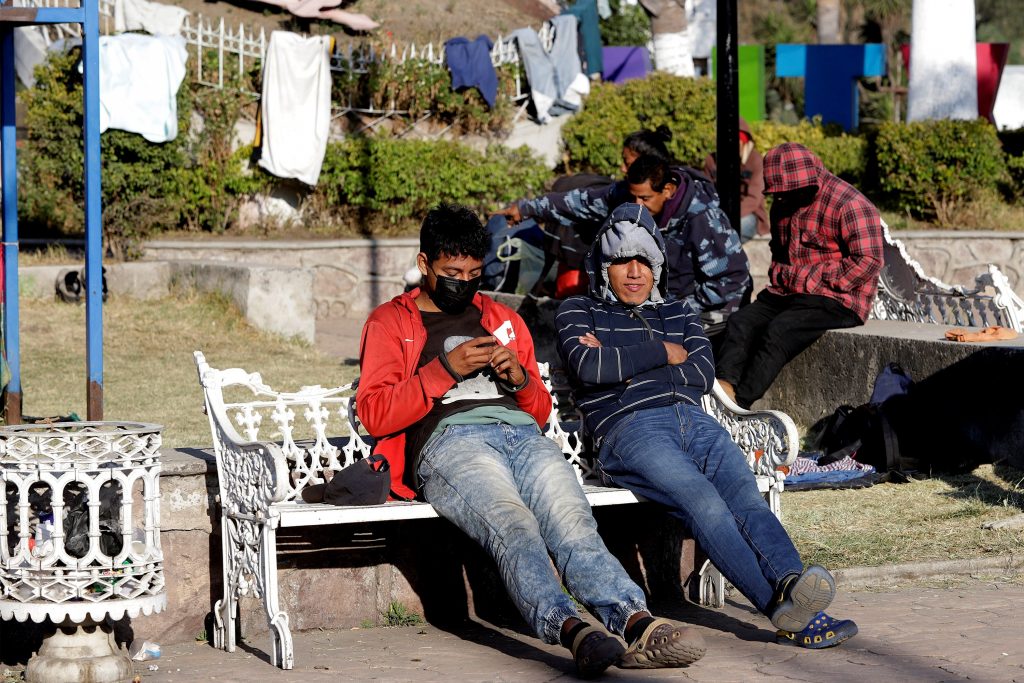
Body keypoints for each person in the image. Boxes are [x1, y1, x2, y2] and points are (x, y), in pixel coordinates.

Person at [357, 203, 706, 676]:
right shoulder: (389, 322)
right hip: (449, 443)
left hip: (521, 434)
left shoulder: (502, 318)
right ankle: (573, 633)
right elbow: (374, 414)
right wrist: (444, 371)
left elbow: (540, 411)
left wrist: (520, 377)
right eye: (451, 272)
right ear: (424, 266)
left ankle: (638, 623)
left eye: (474, 273)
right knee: (513, 526)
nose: (463, 282)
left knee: (572, 522)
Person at [555, 201, 859, 650]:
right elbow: (589, 365)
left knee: (746, 499)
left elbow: (700, 373)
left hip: (695, 422)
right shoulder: (577, 310)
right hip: (629, 429)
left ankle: (794, 586)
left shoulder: (678, 310)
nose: (634, 272)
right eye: (622, 261)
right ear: (604, 265)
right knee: (705, 503)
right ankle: (782, 610)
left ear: (657, 265)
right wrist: (663, 352)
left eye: (644, 261)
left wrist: (627, 360)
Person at [497, 152, 751, 345]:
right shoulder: (627, 196)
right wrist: (526, 208)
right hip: (651, 301)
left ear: (668, 191)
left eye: (645, 199)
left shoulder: (703, 219)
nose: (636, 205)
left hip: (706, 308)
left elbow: (732, 278)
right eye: (633, 197)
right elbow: (577, 203)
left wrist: (673, 311)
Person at [715, 142, 884, 409]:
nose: (783, 200)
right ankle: (723, 392)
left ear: (812, 181)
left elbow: (869, 261)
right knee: (740, 322)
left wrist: (812, 278)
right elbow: (779, 252)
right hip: (788, 292)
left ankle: (739, 406)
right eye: (779, 195)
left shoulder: (850, 204)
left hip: (838, 297)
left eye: (790, 193)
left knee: (779, 331)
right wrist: (788, 277)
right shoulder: (783, 202)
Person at [482, 126, 673, 298]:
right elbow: (575, 203)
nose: (622, 168)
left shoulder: (686, 216)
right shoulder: (619, 195)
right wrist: (525, 208)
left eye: (628, 162)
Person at [703, 117, 768, 243]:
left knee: (734, 231)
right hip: (716, 213)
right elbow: (705, 192)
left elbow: (754, 198)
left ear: (743, 142)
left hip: (748, 214)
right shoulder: (712, 160)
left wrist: (727, 217)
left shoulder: (755, 160)